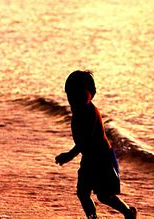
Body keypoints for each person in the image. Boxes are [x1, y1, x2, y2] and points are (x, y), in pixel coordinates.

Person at [55, 70, 137, 219]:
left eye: (80, 94)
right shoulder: (77, 111)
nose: (75, 98)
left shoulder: (91, 112)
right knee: (82, 193)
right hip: (88, 159)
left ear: (92, 93)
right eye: (71, 95)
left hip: (102, 159)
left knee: (105, 196)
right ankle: (92, 217)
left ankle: (128, 212)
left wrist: (69, 155)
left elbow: (84, 141)